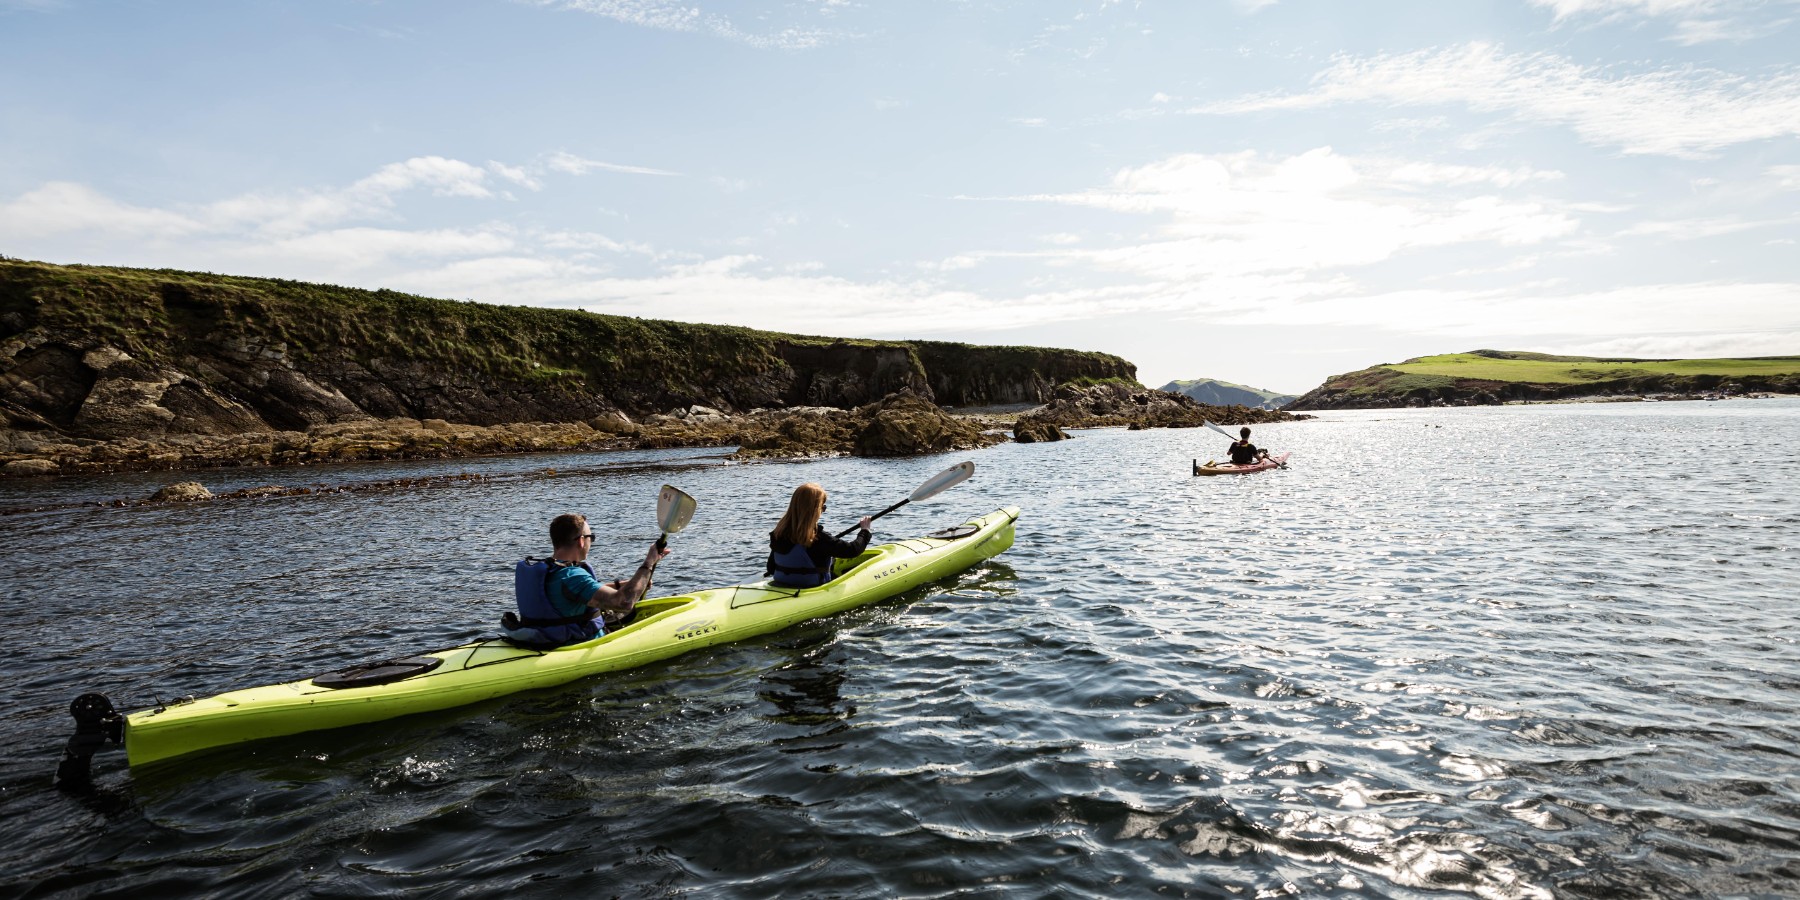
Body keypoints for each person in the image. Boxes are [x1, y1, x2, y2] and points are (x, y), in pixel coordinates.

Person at [505, 513, 670, 647]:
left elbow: (576, 593)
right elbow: (624, 602)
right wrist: (649, 563)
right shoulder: (572, 576)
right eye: (591, 537)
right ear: (581, 540)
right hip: (574, 645)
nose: (592, 542)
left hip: (541, 638)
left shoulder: (552, 570)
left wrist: (627, 584)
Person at [766, 483, 873, 588]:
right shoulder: (819, 538)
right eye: (823, 507)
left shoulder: (778, 534)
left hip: (781, 584)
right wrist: (865, 531)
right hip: (811, 588)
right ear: (815, 510)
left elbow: (770, 568)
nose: (823, 511)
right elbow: (853, 550)